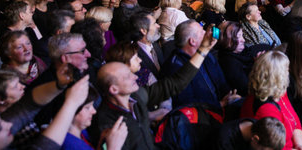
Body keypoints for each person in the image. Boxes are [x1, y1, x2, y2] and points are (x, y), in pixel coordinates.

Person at [90, 25, 219, 150]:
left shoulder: (136, 97)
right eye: (127, 77)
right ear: (114, 89)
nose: (135, 77)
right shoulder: (106, 123)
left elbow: (176, 83)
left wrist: (203, 50)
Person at [160, 20, 240, 109]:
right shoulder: (174, 67)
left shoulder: (207, 55)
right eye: (202, 32)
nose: (206, 33)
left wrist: (229, 96)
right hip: (202, 117)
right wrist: (220, 104)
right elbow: (187, 104)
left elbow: (222, 82)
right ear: (192, 41)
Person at [240, 51, 302, 150]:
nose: (288, 72)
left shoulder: (279, 92)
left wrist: (300, 146)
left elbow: (295, 121)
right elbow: (276, 147)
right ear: (277, 76)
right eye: (286, 69)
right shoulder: (265, 109)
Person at [61, 86, 128, 150]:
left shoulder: (81, 132)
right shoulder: (68, 144)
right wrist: (113, 147)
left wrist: (102, 141)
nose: (94, 111)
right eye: (87, 108)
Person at [218, 21, 268, 96]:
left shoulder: (242, 52)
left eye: (242, 35)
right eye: (238, 37)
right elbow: (247, 89)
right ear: (227, 41)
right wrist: (258, 65)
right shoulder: (229, 63)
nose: (243, 40)